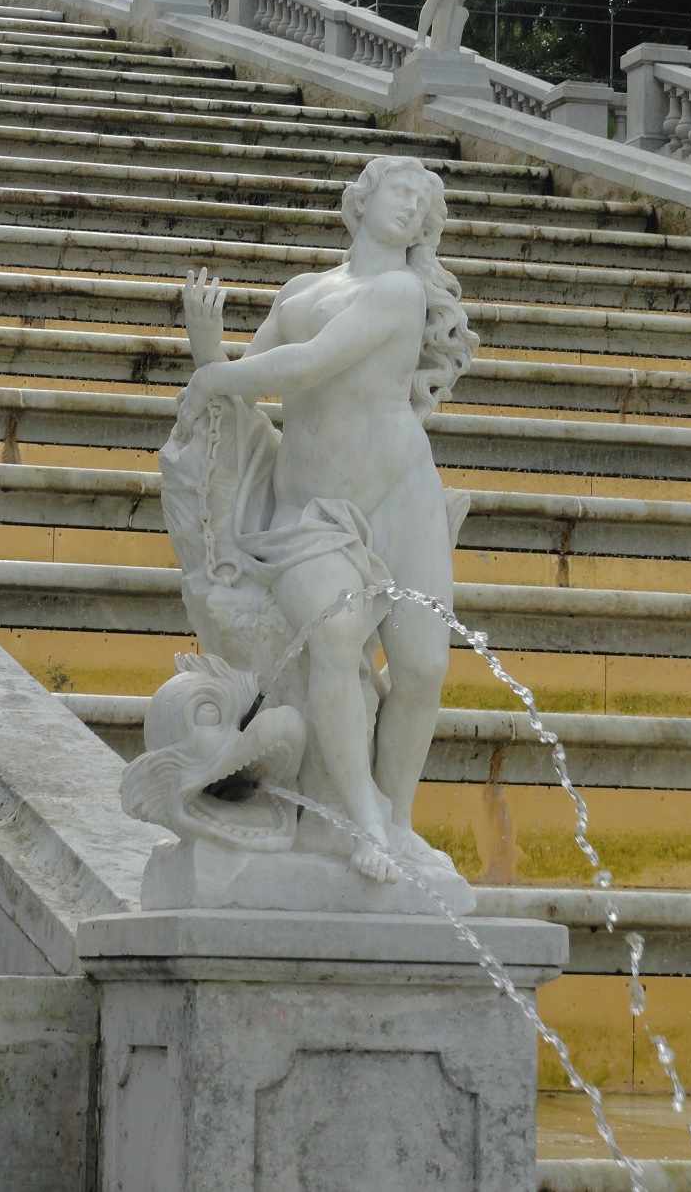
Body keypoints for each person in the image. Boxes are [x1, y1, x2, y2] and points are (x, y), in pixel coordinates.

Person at [176, 157, 478, 882]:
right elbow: (248, 387)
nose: (411, 209)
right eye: (401, 192)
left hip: (401, 494)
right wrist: (207, 349)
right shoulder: (299, 292)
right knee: (336, 635)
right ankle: (362, 821)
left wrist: (214, 373)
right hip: (308, 510)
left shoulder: (401, 290)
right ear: (361, 200)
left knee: (422, 668)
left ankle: (398, 821)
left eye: (423, 205)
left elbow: (310, 364)